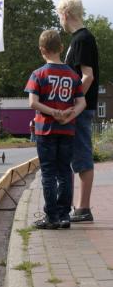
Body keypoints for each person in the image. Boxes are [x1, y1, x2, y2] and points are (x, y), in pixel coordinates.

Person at [25, 29, 86, 229]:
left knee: (48, 173)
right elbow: (82, 103)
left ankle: (51, 217)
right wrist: (68, 115)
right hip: (67, 130)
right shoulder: (73, 75)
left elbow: (32, 103)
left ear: (42, 50)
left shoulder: (38, 74)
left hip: (45, 130)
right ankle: (64, 215)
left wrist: (52, 112)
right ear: (61, 47)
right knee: (65, 172)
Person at [57, 0, 99, 223]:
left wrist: (73, 103)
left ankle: (83, 208)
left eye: (59, 15)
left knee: (82, 154)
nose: (59, 20)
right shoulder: (79, 39)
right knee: (78, 155)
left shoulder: (82, 39)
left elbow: (88, 75)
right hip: (79, 108)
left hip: (80, 109)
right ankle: (80, 206)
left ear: (66, 13)